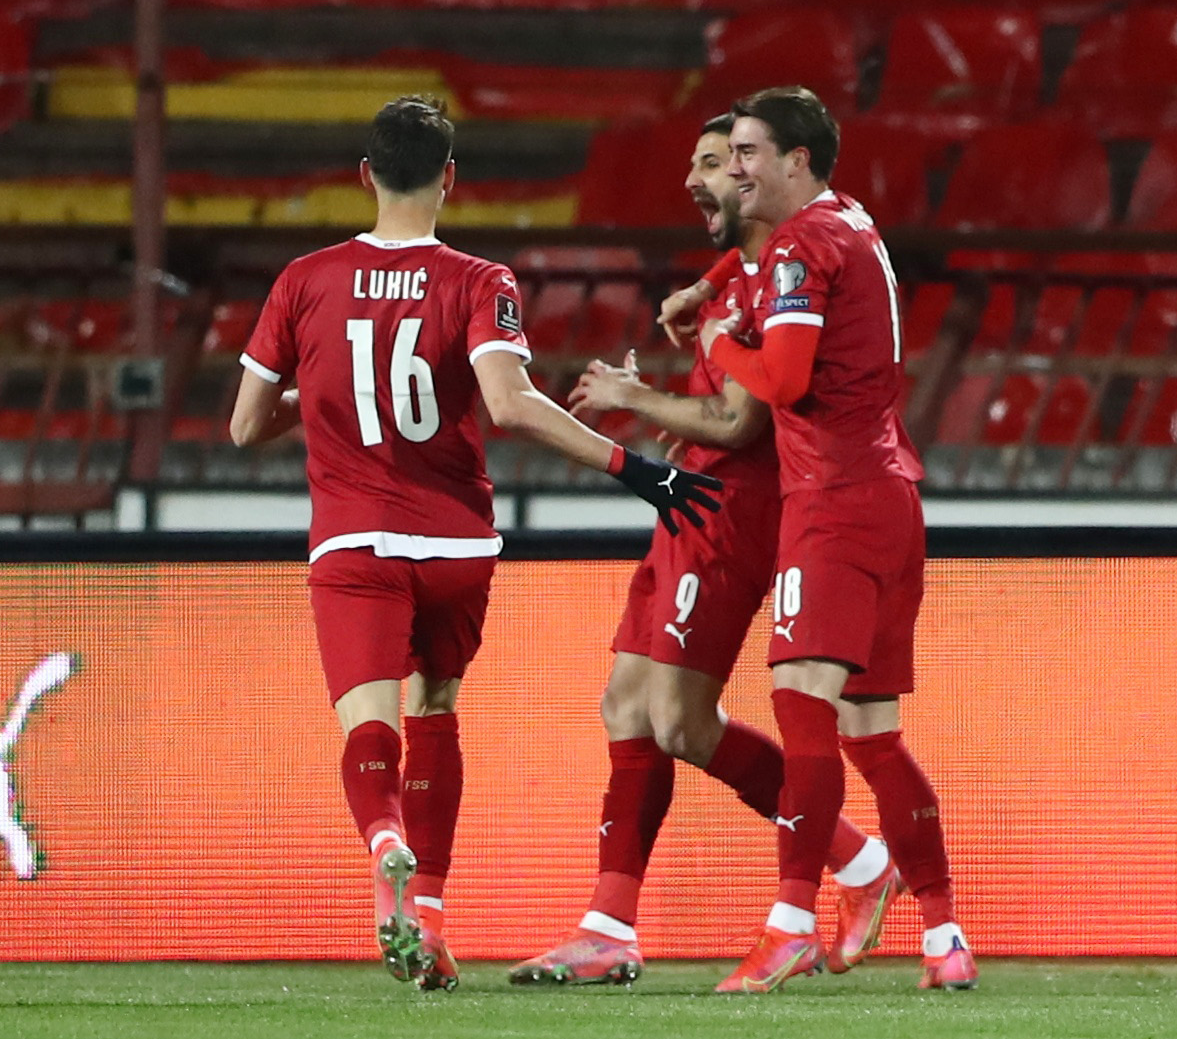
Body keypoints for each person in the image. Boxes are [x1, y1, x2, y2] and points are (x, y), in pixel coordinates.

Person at [228, 96, 721, 992]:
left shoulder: (304, 278)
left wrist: (329, 395)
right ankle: (435, 923)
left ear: (366, 175)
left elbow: (243, 423)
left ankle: (386, 848)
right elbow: (508, 402)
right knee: (436, 710)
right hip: (455, 541)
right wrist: (635, 469)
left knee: (368, 724)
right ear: (451, 177)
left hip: (354, 541)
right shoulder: (479, 279)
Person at [508, 115, 897, 988]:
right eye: (699, 161)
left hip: (733, 509)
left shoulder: (782, 278)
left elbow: (738, 419)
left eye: (722, 164)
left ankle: (862, 863)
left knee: (681, 720)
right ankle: (608, 925)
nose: (703, 178)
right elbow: (744, 262)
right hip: (691, 506)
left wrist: (632, 395)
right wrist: (706, 286)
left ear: (767, 177)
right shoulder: (751, 269)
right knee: (624, 704)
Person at [699, 86, 975, 992]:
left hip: (834, 498)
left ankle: (789, 923)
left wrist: (717, 343)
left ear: (798, 162)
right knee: (873, 733)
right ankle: (944, 935)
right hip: (894, 495)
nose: (734, 168)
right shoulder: (849, 219)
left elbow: (780, 379)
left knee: (799, 702)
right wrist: (715, 296)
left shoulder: (802, 243)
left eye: (748, 152)